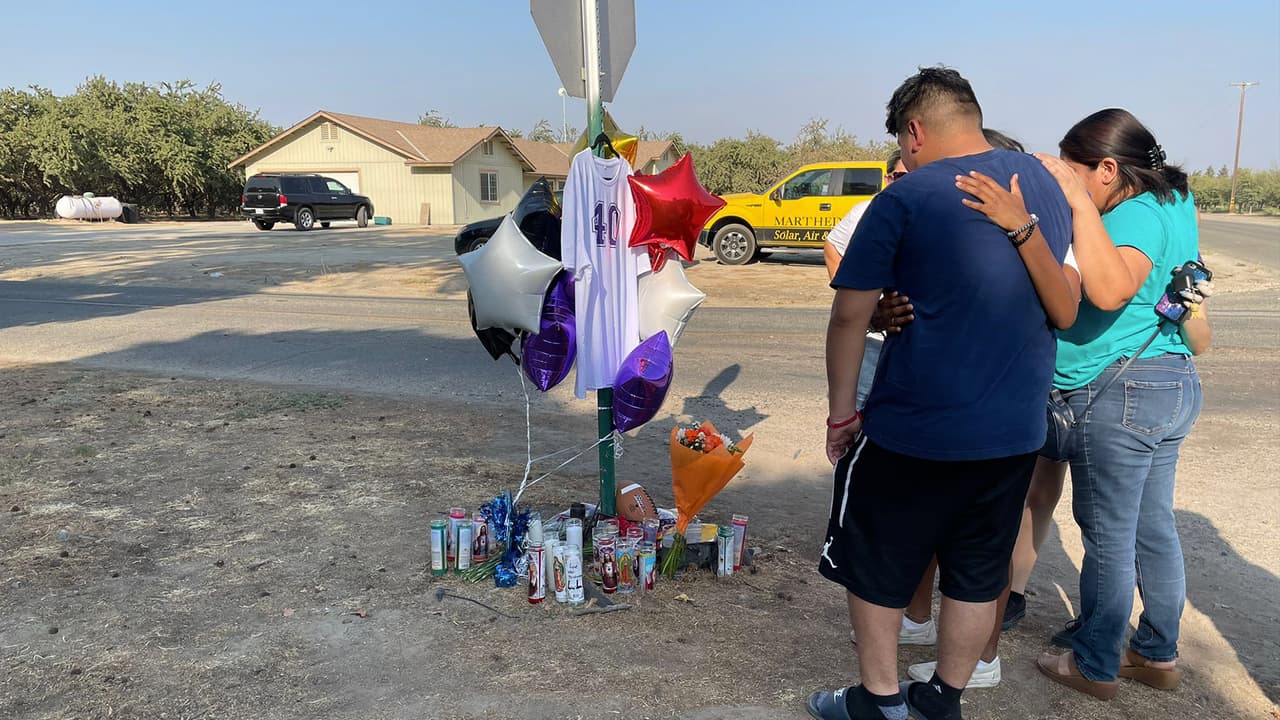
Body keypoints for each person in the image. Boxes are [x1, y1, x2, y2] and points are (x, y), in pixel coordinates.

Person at [808, 67, 1075, 720]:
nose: (903, 156)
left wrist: (843, 413)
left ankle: (879, 700)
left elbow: (848, 315)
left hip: (913, 428)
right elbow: (1054, 302)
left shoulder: (905, 195)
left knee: (874, 561)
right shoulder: (1043, 183)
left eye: (902, 143)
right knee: (978, 571)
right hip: (1013, 431)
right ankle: (943, 699)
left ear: (916, 130)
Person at [1030, 109, 1207, 701]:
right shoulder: (1175, 200)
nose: (1071, 186)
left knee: (1107, 532)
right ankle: (1156, 654)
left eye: (1077, 174)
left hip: (1121, 391)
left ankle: (1096, 662)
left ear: (1107, 168)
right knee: (1152, 528)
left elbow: (1110, 289)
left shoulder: (1131, 215)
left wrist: (1079, 208)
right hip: (1170, 379)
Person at [843, 128, 1031, 655]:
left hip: (991, 423)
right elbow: (854, 297)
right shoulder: (919, 213)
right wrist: (879, 309)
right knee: (928, 540)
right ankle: (922, 629)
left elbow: (1063, 304)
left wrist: (1022, 229)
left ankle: (979, 661)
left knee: (978, 562)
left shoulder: (1032, 231)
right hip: (932, 417)